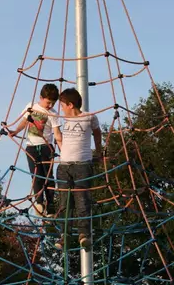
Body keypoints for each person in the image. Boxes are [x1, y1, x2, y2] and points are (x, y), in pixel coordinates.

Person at [54, 88, 102, 250]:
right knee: (65, 203)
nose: (61, 108)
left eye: (63, 105)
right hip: (64, 166)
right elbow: (59, 137)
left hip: (82, 165)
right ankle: (64, 235)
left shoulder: (89, 117)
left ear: (71, 104)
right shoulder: (64, 120)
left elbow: (97, 133)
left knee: (82, 201)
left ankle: (84, 234)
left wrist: (99, 151)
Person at [7, 83, 62, 217]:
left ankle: (50, 205)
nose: (50, 106)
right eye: (48, 102)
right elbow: (25, 121)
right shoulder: (31, 107)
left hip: (46, 147)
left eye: (53, 103)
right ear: (41, 97)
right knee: (36, 175)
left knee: (48, 177)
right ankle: (39, 201)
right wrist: (16, 131)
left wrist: (63, 150)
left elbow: (57, 134)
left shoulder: (53, 114)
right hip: (31, 146)